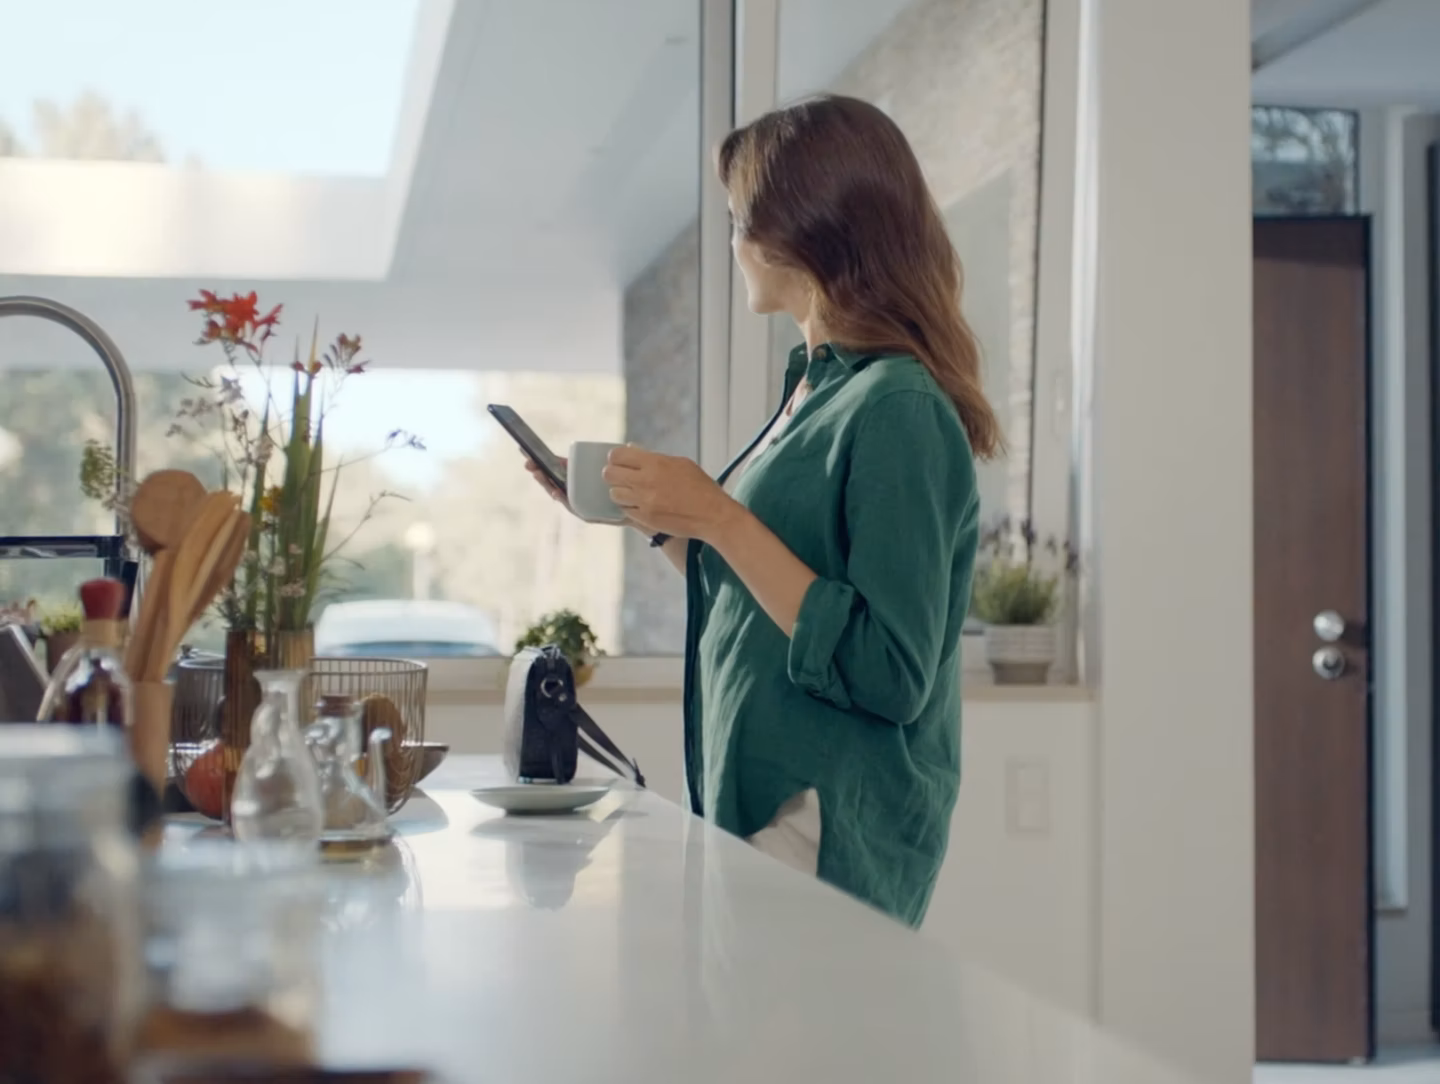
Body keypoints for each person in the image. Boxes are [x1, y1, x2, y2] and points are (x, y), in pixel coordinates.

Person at [527, 94, 1001, 927]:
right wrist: (655, 517)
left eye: (737, 220)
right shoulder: (813, 393)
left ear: (797, 233)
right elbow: (761, 592)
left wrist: (720, 516)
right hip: (761, 805)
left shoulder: (898, 408)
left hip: (824, 820)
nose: (733, 241)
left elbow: (891, 672)